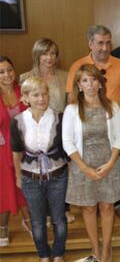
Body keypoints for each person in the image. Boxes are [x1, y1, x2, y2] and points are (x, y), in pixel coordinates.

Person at [62, 64, 120, 262]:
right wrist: (84, 168)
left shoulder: (113, 106)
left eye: (93, 79)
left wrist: (110, 164)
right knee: (89, 208)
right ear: (79, 85)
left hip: (109, 164)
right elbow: (67, 141)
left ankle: (107, 248)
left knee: (108, 207)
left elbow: (119, 138)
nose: (90, 84)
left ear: (100, 83)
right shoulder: (72, 109)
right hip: (82, 166)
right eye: (85, 80)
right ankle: (95, 249)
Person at [66, 25, 120, 219]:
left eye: (107, 42)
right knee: (88, 171)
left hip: (113, 129)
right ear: (90, 44)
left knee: (113, 169)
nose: (104, 47)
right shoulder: (77, 66)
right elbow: (71, 99)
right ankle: (92, 205)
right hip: (86, 130)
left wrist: (118, 121)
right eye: (100, 43)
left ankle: (113, 202)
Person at [11, 77, 68, 262]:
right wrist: (18, 177)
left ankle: (58, 253)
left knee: (59, 219)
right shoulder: (18, 121)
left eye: (44, 94)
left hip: (58, 175)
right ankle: (43, 255)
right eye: (36, 95)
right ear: (26, 97)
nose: (42, 98)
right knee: (37, 221)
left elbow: (67, 147)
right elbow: (16, 151)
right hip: (30, 178)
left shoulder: (59, 117)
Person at [0, 56, 32, 247]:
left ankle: (28, 218)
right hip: (2, 149)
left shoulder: (24, 92)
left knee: (25, 185)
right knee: (4, 187)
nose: (7, 75)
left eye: (9, 70)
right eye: (1, 72)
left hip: (24, 148)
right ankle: (2, 225)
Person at [20, 38, 68, 113]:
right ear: (37, 55)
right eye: (45, 54)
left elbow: (71, 104)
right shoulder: (25, 78)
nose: (49, 57)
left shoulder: (66, 76)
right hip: (36, 122)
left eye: (52, 53)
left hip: (61, 121)